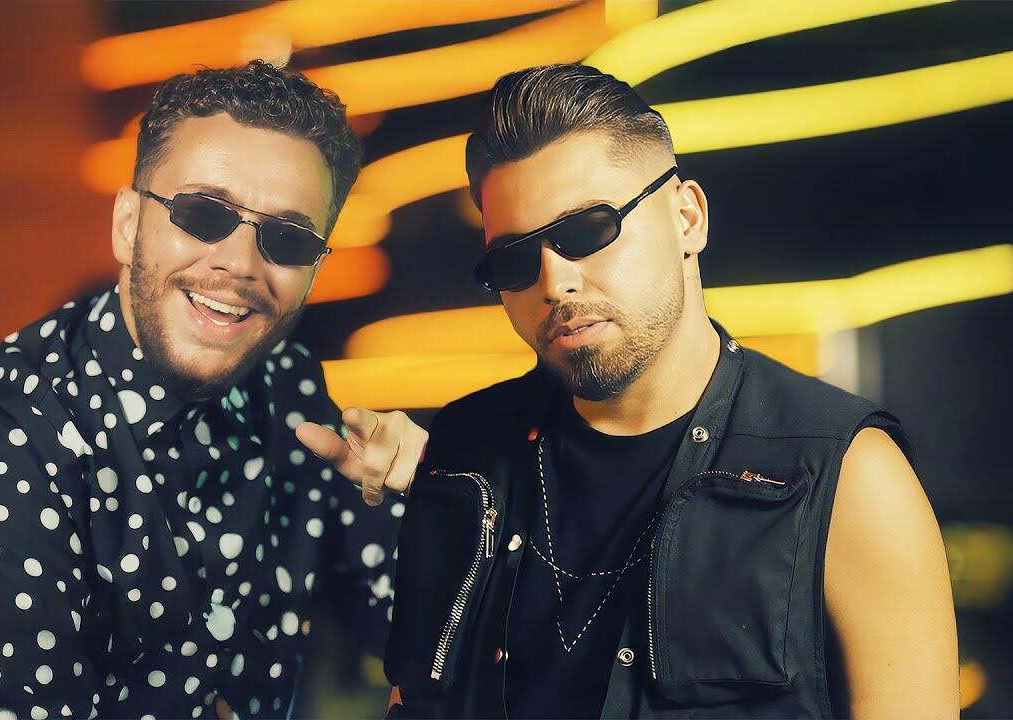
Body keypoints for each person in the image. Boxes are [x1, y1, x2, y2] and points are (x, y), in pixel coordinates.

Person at [383, 64, 959, 719]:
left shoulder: (845, 474)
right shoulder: (465, 453)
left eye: (588, 231)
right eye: (514, 259)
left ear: (687, 217)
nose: (554, 282)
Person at [0, 61, 426, 720]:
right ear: (127, 224)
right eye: (203, 214)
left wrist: (428, 499)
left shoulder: (290, 387)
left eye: (287, 239)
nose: (240, 264)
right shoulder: (13, 436)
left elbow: (428, 636)